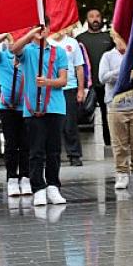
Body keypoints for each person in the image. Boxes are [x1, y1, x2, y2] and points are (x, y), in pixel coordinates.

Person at [11, 21, 69, 207]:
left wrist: (47, 82)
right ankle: (38, 188)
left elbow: (63, 80)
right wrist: (30, 35)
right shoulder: (27, 51)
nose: (40, 31)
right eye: (36, 27)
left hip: (55, 107)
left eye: (43, 27)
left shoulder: (58, 52)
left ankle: (53, 185)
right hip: (33, 109)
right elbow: (14, 49)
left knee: (54, 150)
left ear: (49, 29)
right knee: (35, 151)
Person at [100, 31, 133, 190]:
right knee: (119, 143)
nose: (121, 41)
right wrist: (121, 70)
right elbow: (103, 78)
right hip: (116, 106)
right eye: (118, 37)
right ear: (114, 39)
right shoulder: (107, 56)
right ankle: (121, 173)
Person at [0, 34, 32, 197]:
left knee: (26, 143)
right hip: (7, 108)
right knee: (11, 144)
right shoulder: (2, 58)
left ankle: (26, 177)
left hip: (25, 106)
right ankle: (12, 178)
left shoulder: (27, 57)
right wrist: (4, 36)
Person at [76, 8, 114, 146]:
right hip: (88, 86)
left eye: (98, 16)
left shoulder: (109, 38)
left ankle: (109, 145)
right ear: (87, 19)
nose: (95, 19)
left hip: (106, 84)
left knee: (108, 116)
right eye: (91, 16)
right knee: (84, 114)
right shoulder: (80, 39)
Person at [49, 27, 86, 166]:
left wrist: (81, 90)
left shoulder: (73, 43)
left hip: (70, 87)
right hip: (51, 88)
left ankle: (74, 155)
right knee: (52, 123)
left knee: (70, 124)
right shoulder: (46, 42)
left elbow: (79, 67)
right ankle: (52, 155)